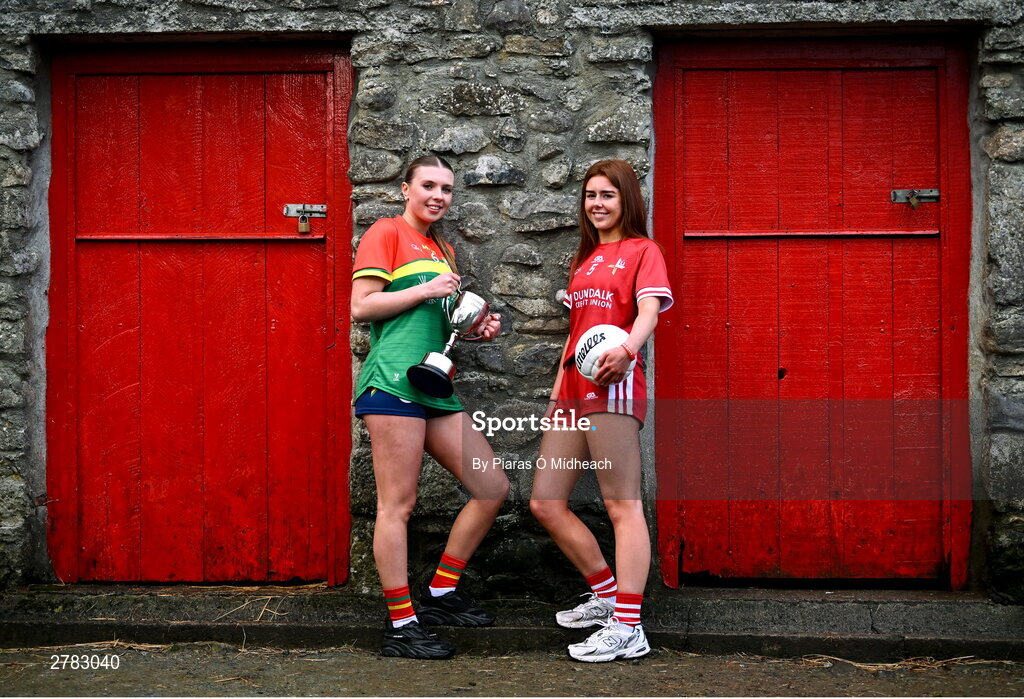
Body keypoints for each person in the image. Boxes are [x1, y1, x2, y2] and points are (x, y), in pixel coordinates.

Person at [351, 155, 509, 659]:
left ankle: (441, 593)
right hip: (393, 383)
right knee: (398, 505)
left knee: (492, 487)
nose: (438, 196)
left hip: (436, 385)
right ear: (406, 189)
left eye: (446, 189)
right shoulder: (387, 232)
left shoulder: (444, 250)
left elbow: (439, 321)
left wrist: (476, 327)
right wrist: (428, 289)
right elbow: (362, 306)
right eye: (428, 186)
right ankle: (402, 625)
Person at [529, 159, 673, 662]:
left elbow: (649, 311)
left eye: (607, 195)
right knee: (546, 502)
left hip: (615, 386)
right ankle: (609, 597)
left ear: (626, 199)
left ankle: (629, 627)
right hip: (572, 389)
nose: (597, 204)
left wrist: (628, 350)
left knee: (621, 504)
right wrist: (555, 395)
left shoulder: (643, 250)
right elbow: (575, 336)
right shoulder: (585, 259)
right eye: (590, 195)